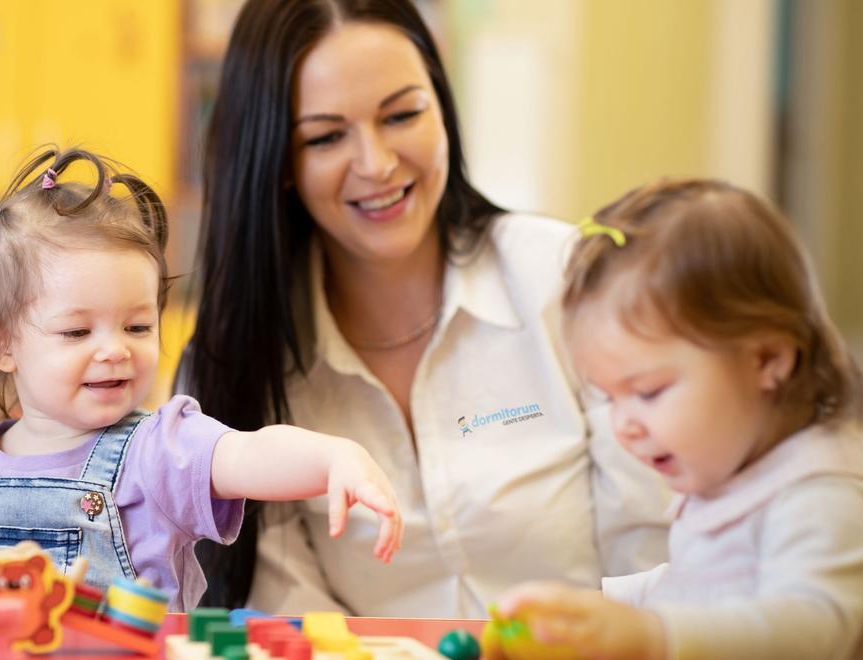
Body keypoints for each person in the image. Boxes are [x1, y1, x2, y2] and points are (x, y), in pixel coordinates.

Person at [178, 0, 671, 617]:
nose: (378, 164)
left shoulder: (569, 282)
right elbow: (289, 617)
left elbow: (656, 552)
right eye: (327, 136)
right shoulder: (236, 363)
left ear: (443, 108)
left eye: (402, 113)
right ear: (276, 161)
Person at [0, 147, 403, 611]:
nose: (115, 349)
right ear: (0, 344)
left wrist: (335, 457)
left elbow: (250, 453)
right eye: (77, 331)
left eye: (138, 326)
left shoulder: (160, 450)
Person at [498, 178, 863, 660]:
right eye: (608, 399)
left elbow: (806, 637)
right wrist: (592, 607)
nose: (624, 426)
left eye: (647, 392)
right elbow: (701, 584)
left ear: (767, 358)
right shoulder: (733, 476)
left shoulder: (824, 496)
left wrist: (646, 637)